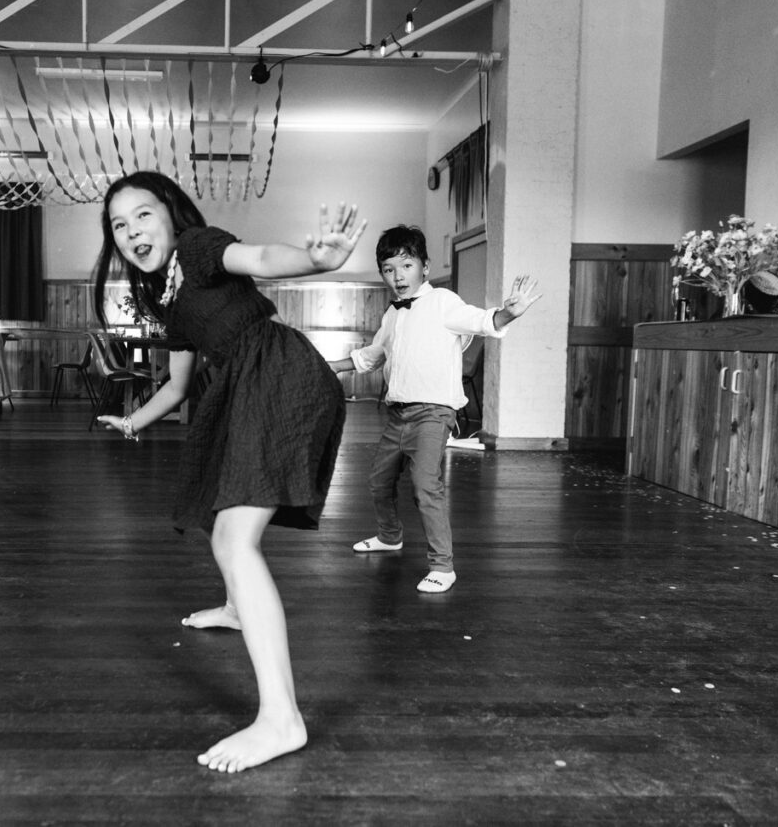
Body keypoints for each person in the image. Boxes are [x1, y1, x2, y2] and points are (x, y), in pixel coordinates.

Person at [92, 170, 367, 774]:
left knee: (235, 539)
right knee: (225, 520)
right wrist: (133, 421)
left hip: (280, 374)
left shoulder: (197, 248)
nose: (132, 230)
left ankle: (281, 719)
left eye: (142, 214)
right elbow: (179, 383)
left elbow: (261, 257)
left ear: (169, 213)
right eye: (119, 224)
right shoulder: (164, 295)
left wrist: (315, 260)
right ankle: (238, 607)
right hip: (246, 384)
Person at [328, 225, 541, 593]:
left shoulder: (444, 302)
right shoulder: (393, 315)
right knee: (379, 481)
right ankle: (389, 536)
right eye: (389, 269)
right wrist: (333, 366)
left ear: (425, 267)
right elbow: (373, 355)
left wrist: (509, 314)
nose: (398, 276)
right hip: (398, 415)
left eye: (406, 266)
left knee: (425, 485)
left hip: (433, 413)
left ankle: (443, 566)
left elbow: (483, 322)